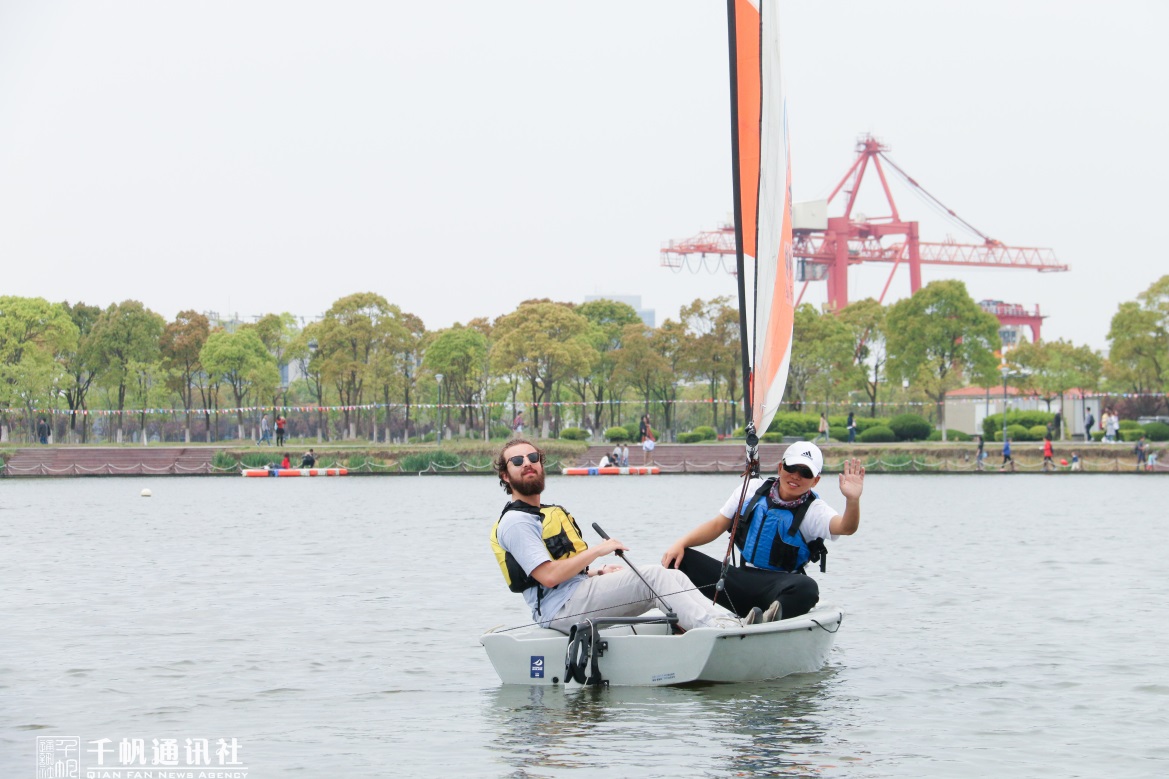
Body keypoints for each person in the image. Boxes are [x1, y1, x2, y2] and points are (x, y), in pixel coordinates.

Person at [490, 439, 748, 633]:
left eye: (532, 457)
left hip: (574, 594)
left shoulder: (536, 514)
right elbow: (548, 576)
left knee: (674, 576)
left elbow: (555, 574)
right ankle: (717, 631)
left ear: (540, 463)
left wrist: (597, 572)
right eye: (517, 461)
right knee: (654, 577)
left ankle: (729, 622)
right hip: (561, 609)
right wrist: (597, 551)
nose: (527, 463)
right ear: (505, 475)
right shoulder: (516, 522)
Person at [662, 441, 863, 622]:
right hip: (740, 581)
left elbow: (846, 527)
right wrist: (681, 543)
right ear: (780, 467)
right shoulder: (751, 489)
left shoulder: (815, 511)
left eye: (805, 473)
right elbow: (717, 525)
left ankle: (768, 619)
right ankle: (689, 620)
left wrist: (852, 500)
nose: (796, 476)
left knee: (808, 587)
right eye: (791, 468)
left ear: (815, 480)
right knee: (679, 559)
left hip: (778, 588)